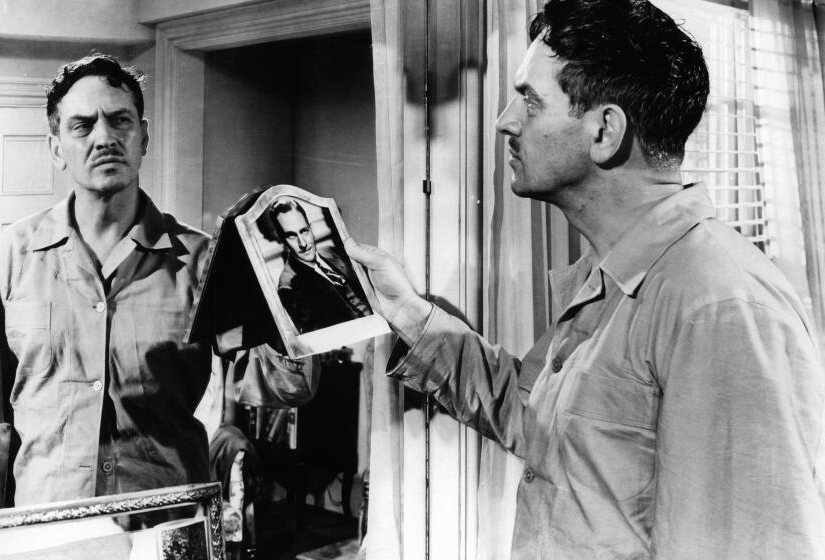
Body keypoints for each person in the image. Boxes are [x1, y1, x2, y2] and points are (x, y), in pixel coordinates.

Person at [346, 1, 825, 558]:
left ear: (605, 131)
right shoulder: (609, 276)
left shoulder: (719, 305)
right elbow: (537, 421)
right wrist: (405, 310)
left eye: (529, 100)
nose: (505, 120)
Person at [0, 54, 318, 509]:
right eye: (82, 126)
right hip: (47, 526)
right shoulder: (14, 255)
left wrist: (279, 287)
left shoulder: (202, 261)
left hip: (164, 527)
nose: (104, 137)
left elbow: (284, 387)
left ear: (144, 137)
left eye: (120, 121)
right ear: (56, 148)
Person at [269, 198, 371, 333]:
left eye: (304, 231)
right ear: (282, 239)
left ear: (310, 228)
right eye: (291, 236)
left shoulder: (331, 252)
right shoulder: (288, 287)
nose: (303, 243)